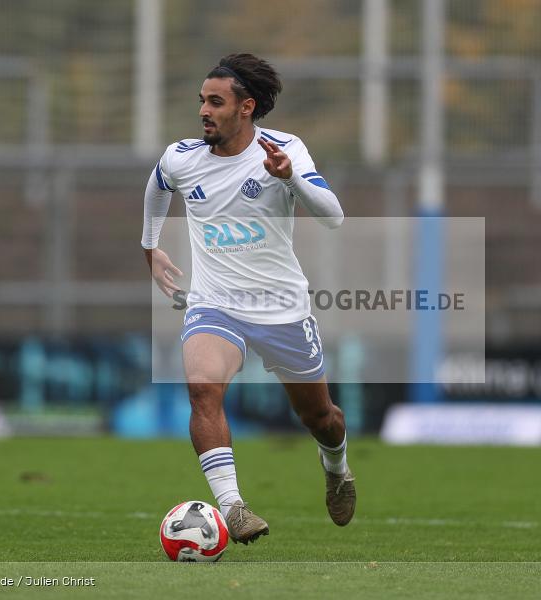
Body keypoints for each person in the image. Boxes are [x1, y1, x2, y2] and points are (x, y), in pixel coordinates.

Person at [141, 54, 354, 544]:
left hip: (282, 308)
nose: (204, 111)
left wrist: (290, 178)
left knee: (320, 417)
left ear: (246, 107)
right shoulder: (182, 157)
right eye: (202, 101)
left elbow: (335, 216)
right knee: (202, 389)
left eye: (215, 102)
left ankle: (337, 468)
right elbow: (157, 186)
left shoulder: (284, 149)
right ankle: (233, 508)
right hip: (215, 304)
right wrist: (150, 248)